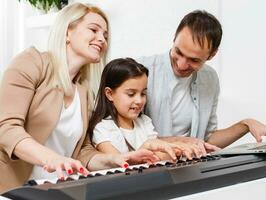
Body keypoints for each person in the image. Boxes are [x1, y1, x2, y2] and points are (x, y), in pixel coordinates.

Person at [0, 3, 156, 193]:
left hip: (56, 189)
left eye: (105, 36)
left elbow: (82, 150)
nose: (102, 39)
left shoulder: (84, 92)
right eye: (94, 30)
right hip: (12, 188)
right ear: (67, 32)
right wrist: (51, 158)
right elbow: (6, 129)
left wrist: (112, 160)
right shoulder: (32, 62)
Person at [137, 10, 266, 154]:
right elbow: (124, 136)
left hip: (189, 166)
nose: (181, 65)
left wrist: (246, 124)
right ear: (174, 38)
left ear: (212, 55)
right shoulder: (141, 70)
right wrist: (181, 143)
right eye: (178, 52)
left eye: (194, 60)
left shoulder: (209, 78)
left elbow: (207, 139)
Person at [88, 57, 191, 162]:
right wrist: (146, 147)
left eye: (143, 94)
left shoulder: (145, 122)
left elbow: (162, 157)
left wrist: (177, 150)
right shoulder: (102, 129)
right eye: (131, 94)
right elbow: (118, 164)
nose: (139, 100)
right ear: (109, 94)